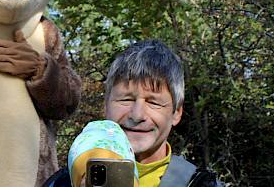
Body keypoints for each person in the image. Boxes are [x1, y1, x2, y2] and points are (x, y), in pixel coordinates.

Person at [45, 40, 222, 187]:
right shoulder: (63, 182)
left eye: (153, 102)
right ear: (106, 105)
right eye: (126, 100)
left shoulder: (199, 184)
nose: (137, 115)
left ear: (176, 112)